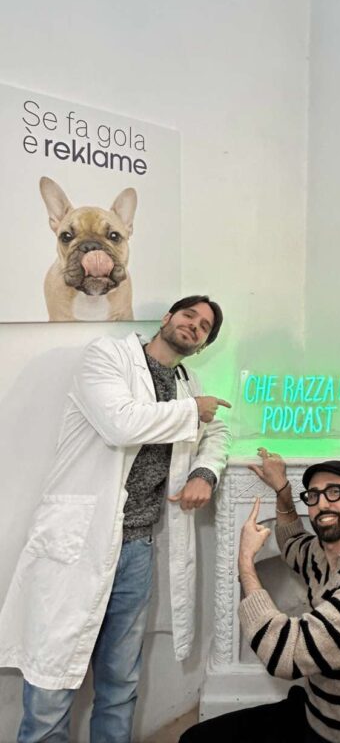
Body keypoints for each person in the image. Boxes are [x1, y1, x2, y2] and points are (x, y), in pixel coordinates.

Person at [0, 295, 232, 743]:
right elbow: (120, 423)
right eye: (189, 315)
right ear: (167, 318)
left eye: (204, 327)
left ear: (203, 345)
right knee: (51, 678)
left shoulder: (189, 383)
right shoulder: (108, 356)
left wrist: (205, 472)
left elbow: (217, 430)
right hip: (79, 542)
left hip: (138, 547)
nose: (194, 325)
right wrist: (192, 412)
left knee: (120, 680)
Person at [181, 448, 340, 743]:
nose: (322, 503)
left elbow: (283, 654)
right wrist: (283, 490)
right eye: (313, 495)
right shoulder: (327, 555)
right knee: (196, 738)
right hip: (320, 716)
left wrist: (245, 562)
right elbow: (293, 542)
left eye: (335, 492)